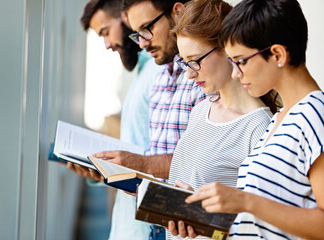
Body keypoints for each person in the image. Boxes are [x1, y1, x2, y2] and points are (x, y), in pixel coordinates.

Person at [184, 0, 324, 239]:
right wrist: (202, 217)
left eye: (240, 61)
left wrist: (245, 200)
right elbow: (261, 227)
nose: (237, 74)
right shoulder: (279, 120)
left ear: (277, 54)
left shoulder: (315, 116)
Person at [163, 0, 278, 239]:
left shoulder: (259, 129)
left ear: (226, 49)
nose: (189, 73)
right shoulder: (200, 111)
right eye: (185, 62)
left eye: (195, 60)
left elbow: (263, 227)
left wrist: (202, 217)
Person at [93, 0, 206, 239]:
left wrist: (143, 164)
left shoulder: (204, 78)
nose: (142, 43)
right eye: (137, 34)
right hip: (157, 226)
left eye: (147, 28)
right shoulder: (161, 81)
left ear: (177, 13)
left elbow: (204, 161)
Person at [66, 0, 163, 239]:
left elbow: (170, 158)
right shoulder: (141, 72)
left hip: (148, 226)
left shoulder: (161, 72)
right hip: (128, 221)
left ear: (125, 18)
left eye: (106, 32)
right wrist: (104, 171)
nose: (107, 44)